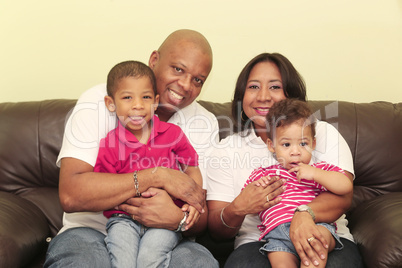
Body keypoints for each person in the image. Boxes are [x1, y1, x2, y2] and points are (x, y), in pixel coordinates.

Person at [45, 29, 219, 268]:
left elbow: (202, 214)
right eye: (178, 69)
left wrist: (178, 219)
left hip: (169, 234)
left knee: (199, 263)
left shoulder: (204, 122)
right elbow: (71, 194)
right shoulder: (98, 102)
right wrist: (155, 176)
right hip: (94, 230)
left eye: (198, 80)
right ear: (155, 60)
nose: (185, 85)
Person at [206, 53, 363, 267]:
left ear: (291, 93)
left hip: (323, 231)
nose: (263, 96)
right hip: (258, 242)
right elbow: (216, 231)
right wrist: (238, 208)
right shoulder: (226, 150)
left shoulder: (322, 134)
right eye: (253, 87)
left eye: (274, 87)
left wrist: (304, 213)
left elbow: (344, 196)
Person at [94, 60, 203, 267]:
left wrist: (193, 199)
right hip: (123, 220)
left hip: (165, 221)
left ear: (155, 101)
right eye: (127, 98)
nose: (137, 105)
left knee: (149, 259)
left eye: (145, 97)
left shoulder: (173, 134)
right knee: (123, 261)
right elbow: (102, 189)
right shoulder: (109, 144)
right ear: (111, 103)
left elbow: (191, 166)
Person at [242, 98, 352, 268]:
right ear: (272, 146)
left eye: (303, 143)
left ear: (313, 144)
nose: (295, 152)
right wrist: (259, 186)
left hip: (315, 226)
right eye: (286, 144)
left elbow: (345, 186)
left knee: (315, 253)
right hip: (277, 232)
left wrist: (316, 174)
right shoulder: (264, 173)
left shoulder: (319, 169)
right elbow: (246, 199)